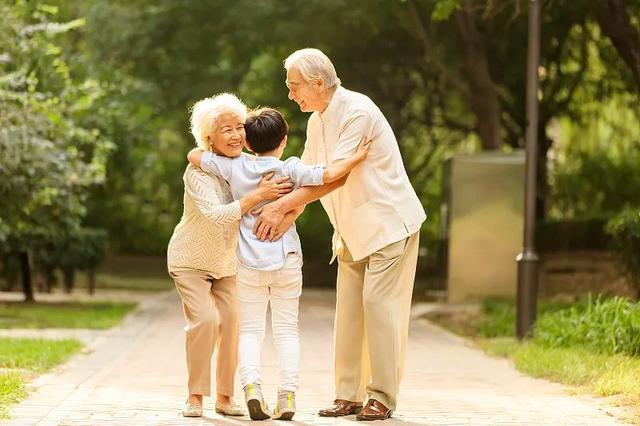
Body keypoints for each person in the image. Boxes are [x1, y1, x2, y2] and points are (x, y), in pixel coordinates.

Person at [252, 48, 426, 421]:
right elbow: (311, 175)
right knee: (348, 314)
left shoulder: (357, 112)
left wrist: (282, 209)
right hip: (351, 230)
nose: (290, 94)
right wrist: (288, 212)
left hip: (388, 226)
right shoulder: (317, 120)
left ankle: (381, 395)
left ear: (318, 83)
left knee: (380, 311)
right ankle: (348, 394)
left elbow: (337, 176)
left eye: (294, 86)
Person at [188, 107, 371, 420]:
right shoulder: (292, 168)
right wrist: (357, 156)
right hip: (285, 260)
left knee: (250, 331)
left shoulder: (236, 168)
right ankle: (287, 395)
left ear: (247, 142)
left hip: (248, 264)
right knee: (286, 331)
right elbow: (328, 176)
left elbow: (194, 155)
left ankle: (251, 389)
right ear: (284, 140)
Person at [167, 93, 294, 418]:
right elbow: (216, 215)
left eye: (240, 127)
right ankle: (195, 396)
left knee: (234, 323)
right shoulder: (198, 174)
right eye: (227, 129)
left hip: (225, 264)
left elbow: (286, 193)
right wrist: (258, 196)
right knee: (207, 321)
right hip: (190, 261)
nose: (237, 135)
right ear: (209, 137)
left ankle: (225, 397)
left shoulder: (245, 166)